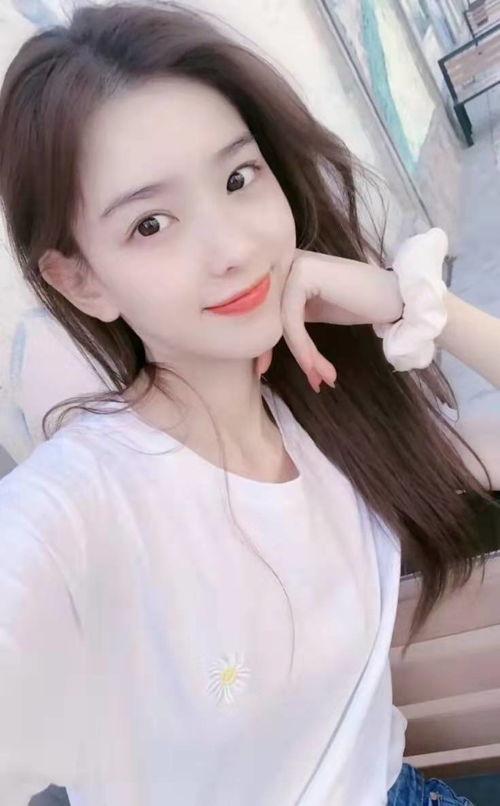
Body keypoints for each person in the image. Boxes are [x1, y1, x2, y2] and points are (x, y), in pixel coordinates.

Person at [0, 2, 498, 805]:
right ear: (81, 280)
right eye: (151, 224)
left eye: (238, 178)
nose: (234, 248)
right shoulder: (76, 511)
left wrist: (410, 303)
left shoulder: (323, 410)